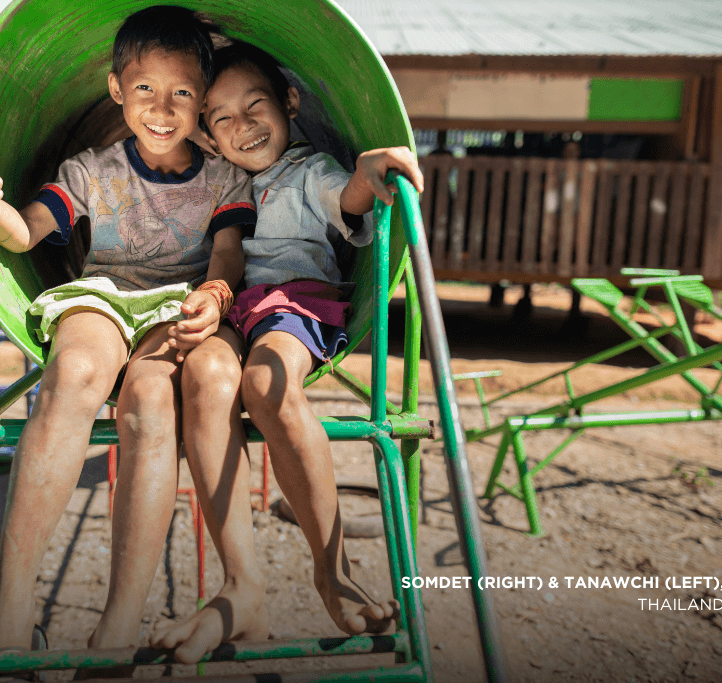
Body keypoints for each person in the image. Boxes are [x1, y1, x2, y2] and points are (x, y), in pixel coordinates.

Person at [0, 7, 255, 677]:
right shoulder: (91, 168)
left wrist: (214, 296)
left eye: (182, 93)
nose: (162, 107)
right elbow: (27, 231)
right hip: (104, 293)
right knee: (73, 374)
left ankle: (118, 623)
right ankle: (10, 601)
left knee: (152, 403)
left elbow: (230, 252)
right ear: (116, 89)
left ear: (202, 100)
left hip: (175, 305)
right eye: (145, 89)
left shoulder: (224, 178)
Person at [152, 43, 425, 664]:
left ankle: (333, 570)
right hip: (228, 306)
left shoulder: (310, 170)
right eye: (221, 118)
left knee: (268, 385)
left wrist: (370, 166)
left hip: (292, 302)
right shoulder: (218, 178)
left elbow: (351, 196)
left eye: (256, 107)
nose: (243, 126)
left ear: (290, 104)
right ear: (208, 135)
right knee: (207, 379)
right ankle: (238, 583)